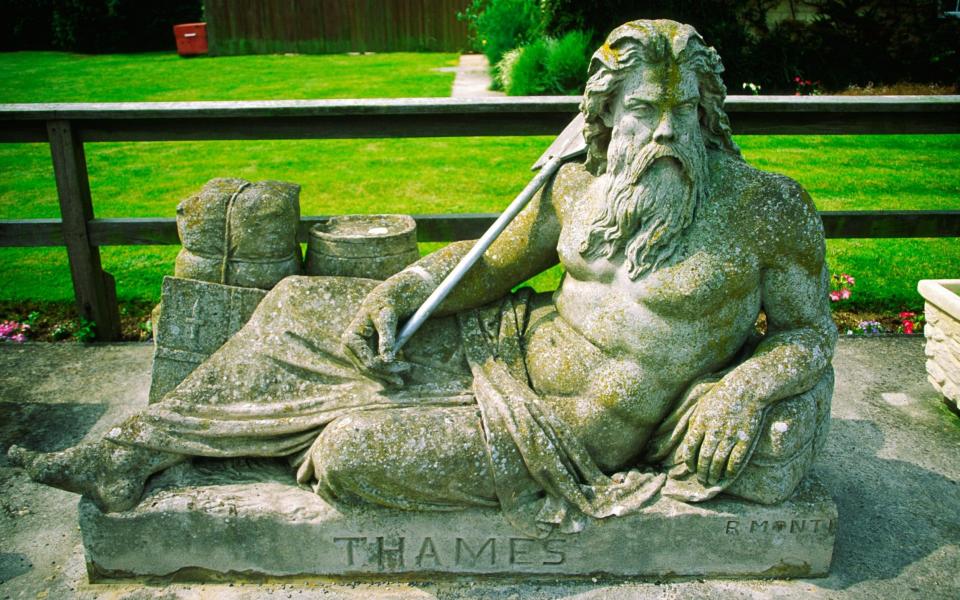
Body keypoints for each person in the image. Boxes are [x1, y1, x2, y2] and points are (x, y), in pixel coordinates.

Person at [9, 20, 836, 535]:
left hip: (570, 426)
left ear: (706, 108)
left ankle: (266, 439)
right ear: (605, 112)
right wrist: (401, 290)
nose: (660, 130)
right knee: (302, 304)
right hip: (505, 339)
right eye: (640, 109)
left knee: (348, 454)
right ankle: (132, 451)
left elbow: (811, 332)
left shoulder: (767, 209)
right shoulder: (580, 180)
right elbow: (489, 266)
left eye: (680, 109)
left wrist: (751, 382)